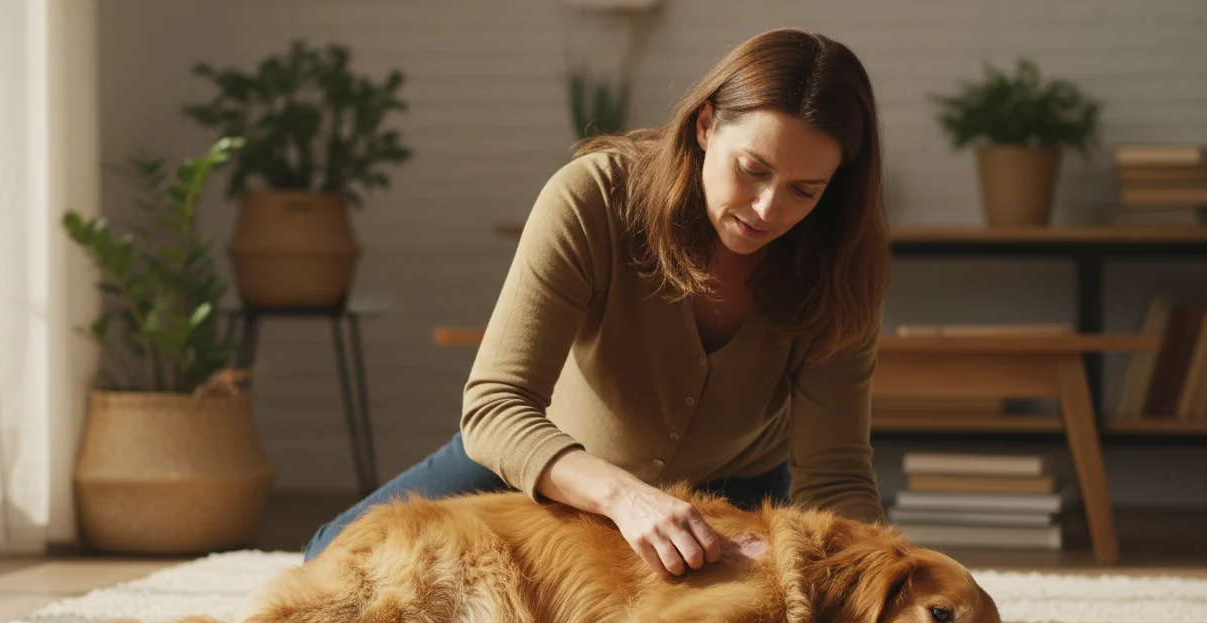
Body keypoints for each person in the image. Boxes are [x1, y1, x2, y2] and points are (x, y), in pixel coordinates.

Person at [304, 27, 890, 576]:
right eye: (752, 169)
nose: (767, 209)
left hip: (734, 493)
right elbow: (495, 405)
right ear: (706, 125)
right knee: (335, 559)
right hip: (547, 464)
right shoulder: (594, 198)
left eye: (803, 191)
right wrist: (623, 497)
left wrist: (888, 580)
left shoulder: (840, 265)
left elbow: (835, 476)